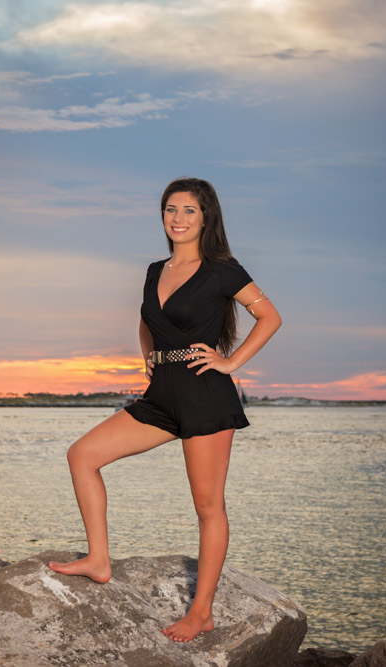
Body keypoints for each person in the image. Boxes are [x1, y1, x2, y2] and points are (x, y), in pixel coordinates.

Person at [48, 177, 282, 642]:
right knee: (82, 455)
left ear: (206, 217)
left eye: (188, 211)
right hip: (161, 397)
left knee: (208, 505)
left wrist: (230, 361)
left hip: (205, 394)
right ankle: (98, 559)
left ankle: (202, 612)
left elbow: (270, 316)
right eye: (170, 209)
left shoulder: (222, 270)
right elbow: (146, 319)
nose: (178, 218)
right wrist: (148, 357)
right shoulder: (155, 269)